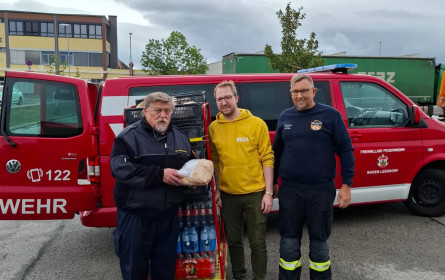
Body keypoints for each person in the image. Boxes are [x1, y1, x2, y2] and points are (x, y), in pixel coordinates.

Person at [273, 74, 355, 280]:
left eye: (304, 91)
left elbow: (346, 150)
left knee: (319, 242)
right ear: (290, 93)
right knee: (289, 242)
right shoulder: (285, 117)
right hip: (290, 190)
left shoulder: (330, 116)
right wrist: (273, 182)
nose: (300, 95)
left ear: (313, 92)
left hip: (320, 190)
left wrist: (346, 184)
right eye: (295, 91)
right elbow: (276, 153)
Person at [111, 92, 194, 280]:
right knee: (135, 270)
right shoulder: (127, 137)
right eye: (158, 110)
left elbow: (189, 165)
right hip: (136, 217)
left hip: (168, 217)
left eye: (167, 111)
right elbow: (120, 169)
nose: (163, 115)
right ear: (145, 111)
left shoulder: (180, 138)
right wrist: (159, 175)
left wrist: (191, 180)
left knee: (164, 270)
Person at [209, 80, 275, 280]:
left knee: (257, 242)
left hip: (255, 193)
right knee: (234, 241)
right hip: (228, 195)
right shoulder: (213, 128)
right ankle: (239, 276)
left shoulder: (256, 124)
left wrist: (269, 193)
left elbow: (267, 158)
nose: (224, 102)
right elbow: (215, 161)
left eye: (227, 97)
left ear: (236, 98)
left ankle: (259, 277)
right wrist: (217, 190)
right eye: (219, 99)